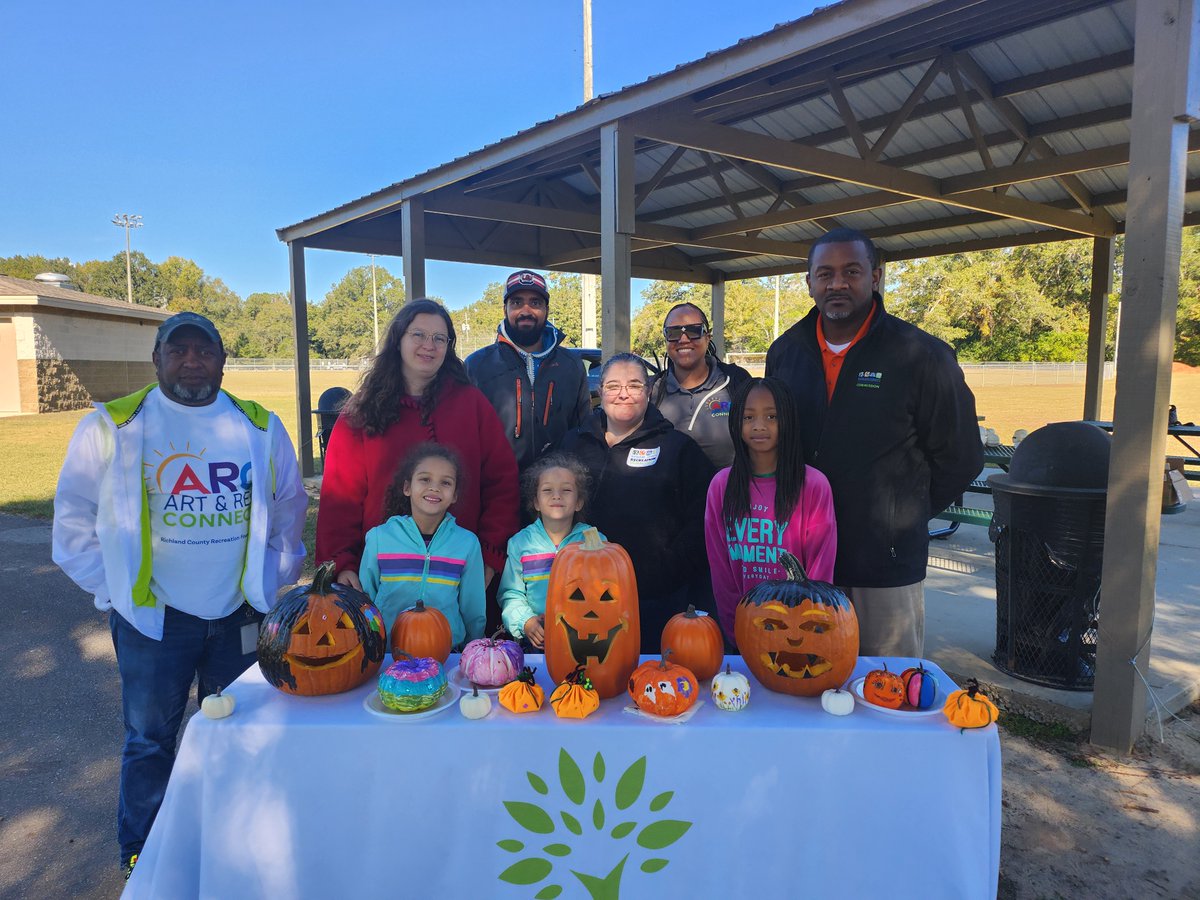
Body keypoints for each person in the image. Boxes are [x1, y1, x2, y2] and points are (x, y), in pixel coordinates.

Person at [51, 311, 308, 880]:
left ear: (222, 358)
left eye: (205, 350)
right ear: (157, 358)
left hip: (239, 612)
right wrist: (117, 591)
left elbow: (290, 505)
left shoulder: (258, 425)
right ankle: (142, 856)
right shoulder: (112, 426)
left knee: (238, 735)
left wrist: (272, 577)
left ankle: (231, 850)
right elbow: (71, 524)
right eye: (178, 350)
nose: (192, 361)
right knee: (150, 741)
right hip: (153, 620)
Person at [766, 227, 982, 657]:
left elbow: (961, 456)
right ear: (809, 283)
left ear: (876, 276)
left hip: (883, 564)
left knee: (887, 691)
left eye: (851, 271)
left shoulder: (921, 355)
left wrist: (900, 514)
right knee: (805, 679)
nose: (837, 283)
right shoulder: (785, 353)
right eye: (825, 274)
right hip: (803, 559)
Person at [316, 299, 519, 595]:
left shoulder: (472, 405)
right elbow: (340, 497)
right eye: (419, 335)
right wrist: (343, 562)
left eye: (440, 338)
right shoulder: (361, 413)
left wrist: (490, 554)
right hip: (383, 576)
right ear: (398, 340)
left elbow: (501, 482)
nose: (429, 345)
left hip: (459, 574)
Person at [558, 353, 716, 651]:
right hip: (582, 599)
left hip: (655, 600)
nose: (623, 394)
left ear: (649, 391)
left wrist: (667, 569)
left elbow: (704, 521)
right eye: (613, 385)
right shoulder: (573, 444)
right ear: (600, 391)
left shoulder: (677, 449)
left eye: (634, 385)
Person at [704, 378, 837, 642]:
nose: (759, 426)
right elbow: (721, 571)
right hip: (745, 631)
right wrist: (736, 630)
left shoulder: (812, 485)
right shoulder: (721, 486)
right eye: (748, 417)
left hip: (799, 634)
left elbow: (821, 569)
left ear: (787, 419)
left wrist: (806, 626)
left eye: (772, 416)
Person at [358, 443, 485, 646]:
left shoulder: (467, 544)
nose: (434, 487)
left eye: (445, 482)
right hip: (388, 655)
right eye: (425, 479)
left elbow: (473, 607)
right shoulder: (379, 539)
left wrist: (473, 648)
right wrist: (370, 644)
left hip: (447, 655)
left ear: (455, 495)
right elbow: (365, 600)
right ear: (407, 487)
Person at [464, 270, 591, 471]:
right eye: (516, 302)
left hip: (555, 491)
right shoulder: (476, 365)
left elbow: (584, 431)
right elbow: (466, 437)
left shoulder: (571, 365)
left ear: (547, 310)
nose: (526, 310)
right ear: (504, 309)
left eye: (535, 302)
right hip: (496, 490)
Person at [498, 452, 604, 648]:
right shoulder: (520, 543)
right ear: (536, 502)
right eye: (547, 490)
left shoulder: (595, 542)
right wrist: (525, 621)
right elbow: (511, 593)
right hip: (535, 642)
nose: (557, 495)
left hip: (584, 639)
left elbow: (606, 590)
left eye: (566, 490)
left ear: (579, 502)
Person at [650, 302, 751, 468]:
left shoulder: (736, 381)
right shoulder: (651, 390)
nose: (683, 339)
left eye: (693, 330)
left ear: (708, 336)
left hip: (729, 492)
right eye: (674, 332)